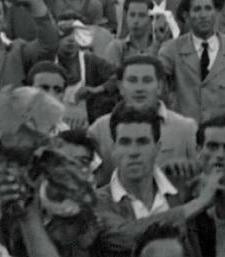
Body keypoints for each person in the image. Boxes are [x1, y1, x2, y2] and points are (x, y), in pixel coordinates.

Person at [91, 105, 215, 257]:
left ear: (157, 148)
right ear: (114, 149)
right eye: (125, 142)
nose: (133, 152)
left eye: (142, 142)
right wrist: (195, 205)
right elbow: (124, 236)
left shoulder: (182, 188)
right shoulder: (96, 201)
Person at [87, 55, 198, 183]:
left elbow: (200, 175)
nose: (139, 88)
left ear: (160, 86)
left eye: (147, 80)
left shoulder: (185, 128)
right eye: (132, 80)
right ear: (120, 87)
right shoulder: (100, 128)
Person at [161, 0, 225, 124]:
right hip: (186, 133)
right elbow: (154, 78)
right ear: (186, 16)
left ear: (216, 13)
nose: (203, 15)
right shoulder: (172, 50)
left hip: (224, 134)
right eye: (197, 10)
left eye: (208, 8)